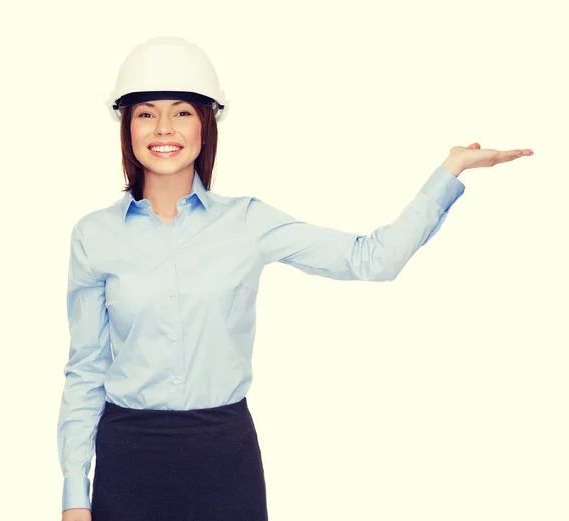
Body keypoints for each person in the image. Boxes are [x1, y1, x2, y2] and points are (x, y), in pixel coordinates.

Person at [57, 36, 533, 521]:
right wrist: (75, 494)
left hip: (224, 455)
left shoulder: (248, 223)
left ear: (206, 123)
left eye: (181, 112)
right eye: (145, 113)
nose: (164, 128)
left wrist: (450, 170)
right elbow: (86, 368)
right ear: (126, 125)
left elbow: (372, 260)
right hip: (128, 459)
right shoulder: (94, 236)